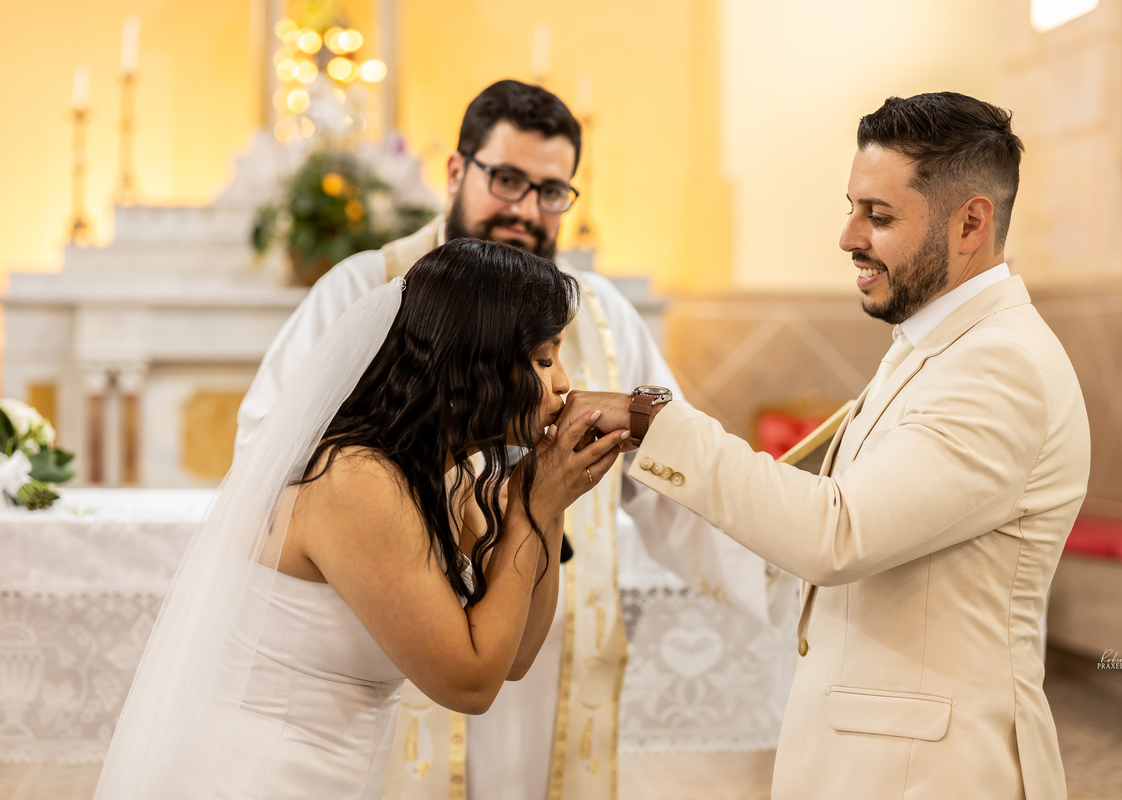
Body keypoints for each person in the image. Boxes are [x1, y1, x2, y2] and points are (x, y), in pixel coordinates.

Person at [235, 79, 784, 800]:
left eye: (552, 191)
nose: (527, 209)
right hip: (387, 639)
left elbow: (672, 482)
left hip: (538, 648)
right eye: (509, 180)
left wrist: (789, 572)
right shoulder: (366, 297)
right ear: (459, 171)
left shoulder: (603, 314)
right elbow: (270, 462)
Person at [565, 92, 1090, 799]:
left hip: (934, 775)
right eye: (852, 207)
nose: (848, 236)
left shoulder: (1002, 366)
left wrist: (654, 420)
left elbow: (836, 532)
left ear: (970, 222)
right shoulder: (935, 347)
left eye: (878, 215)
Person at [93, 239, 628, 799]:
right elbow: (470, 683)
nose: (564, 382)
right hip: (258, 777)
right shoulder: (356, 479)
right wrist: (532, 508)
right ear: (476, 362)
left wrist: (542, 506)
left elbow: (513, 655)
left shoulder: (451, 473)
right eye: (544, 359)